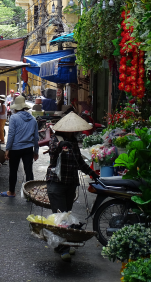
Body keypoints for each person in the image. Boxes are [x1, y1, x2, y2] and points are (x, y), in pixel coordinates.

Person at [46, 112, 99, 262]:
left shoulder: (74, 142)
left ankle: (61, 244)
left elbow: (79, 162)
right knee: (60, 218)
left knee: (66, 216)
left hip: (70, 184)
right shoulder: (56, 139)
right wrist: (60, 145)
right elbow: (52, 151)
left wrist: (92, 173)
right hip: (55, 184)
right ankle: (64, 249)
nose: (74, 132)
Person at [0, 95, 39, 197]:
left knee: (13, 170)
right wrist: (36, 151)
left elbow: (11, 134)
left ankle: (12, 192)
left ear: (16, 107)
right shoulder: (33, 119)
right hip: (28, 149)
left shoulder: (14, 118)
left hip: (15, 149)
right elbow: (36, 137)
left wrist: (7, 149)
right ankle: (31, 194)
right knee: (28, 171)